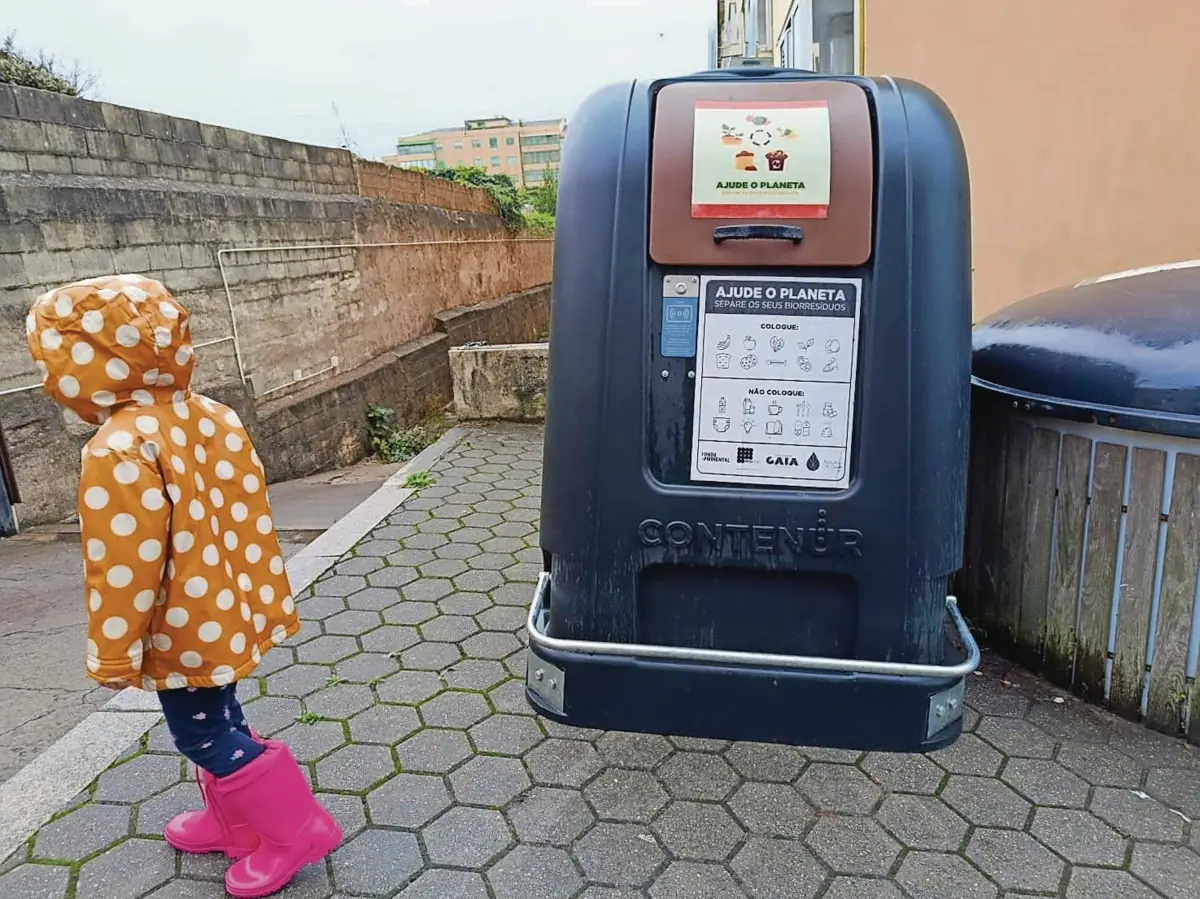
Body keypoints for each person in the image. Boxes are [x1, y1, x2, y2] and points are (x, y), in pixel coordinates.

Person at [25, 274, 341, 899]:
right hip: (229, 606)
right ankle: (233, 821)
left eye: (53, 363)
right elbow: (247, 512)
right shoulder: (212, 415)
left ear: (92, 363)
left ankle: (294, 829)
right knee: (220, 712)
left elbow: (123, 566)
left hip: (181, 621)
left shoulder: (117, 447)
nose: (48, 381)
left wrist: (113, 649)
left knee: (199, 731)